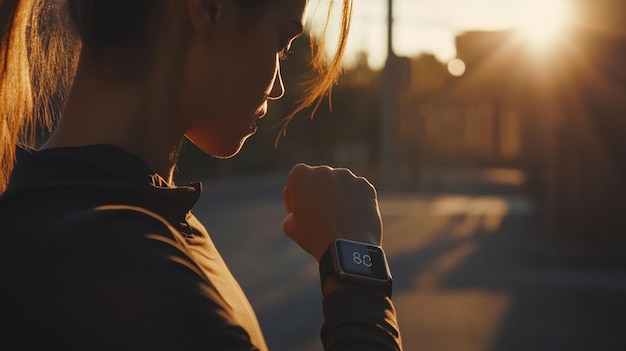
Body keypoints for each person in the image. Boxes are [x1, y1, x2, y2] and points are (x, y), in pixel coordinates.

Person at [0, 0, 403, 350]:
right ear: (209, 9)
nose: (279, 86)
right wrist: (356, 270)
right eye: (281, 43)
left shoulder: (47, 210)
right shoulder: (141, 276)